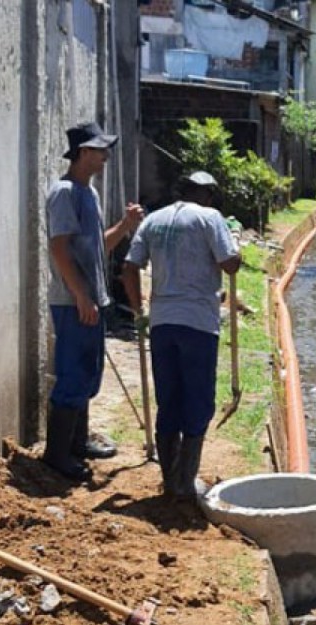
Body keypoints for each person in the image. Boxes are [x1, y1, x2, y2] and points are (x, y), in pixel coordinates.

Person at [121, 171, 242, 500]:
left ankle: (170, 480)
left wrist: (138, 312)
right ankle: (186, 482)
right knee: (198, 400)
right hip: (198, 323)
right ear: (207, 195)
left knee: (169, 400)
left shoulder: (153, 220)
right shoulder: (210, 218)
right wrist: (236, 245)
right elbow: (230, 264)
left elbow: (129, 268)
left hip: (162, 323)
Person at [43, 122, 145, 480]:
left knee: (88, 374)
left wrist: (125, 225)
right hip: (73, 302)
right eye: (101, 151)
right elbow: (59, 248)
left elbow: (98, 247)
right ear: (83, 152)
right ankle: (56, 454)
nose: (105, 157)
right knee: (73, 374)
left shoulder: (90, 194)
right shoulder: (64, 193)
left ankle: (78, 442)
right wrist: (81, 295)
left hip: (90, 300)